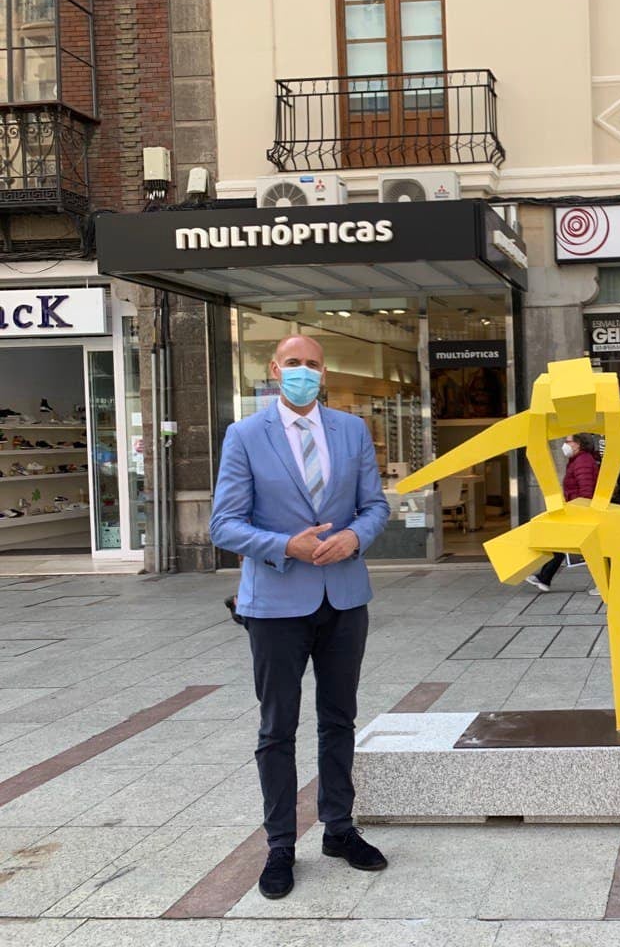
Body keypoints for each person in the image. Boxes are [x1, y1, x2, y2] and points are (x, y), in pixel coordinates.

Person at [210, 335, 390, 900]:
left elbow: (375, 506)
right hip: (276, 603)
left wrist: (355, 538)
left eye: (312, 365)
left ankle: (339, 829)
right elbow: (224, 524)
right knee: (276, 728)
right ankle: (280, 845)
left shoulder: (351, 430)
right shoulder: (243, 436)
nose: (304, 373)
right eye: (294, 364)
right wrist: (286, 545)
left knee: (339, 720)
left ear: (324, 372)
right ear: (274, 370)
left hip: (343, 598)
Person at [525, 433, 601, 593]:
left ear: (578, 444)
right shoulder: (578, 460)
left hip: (580, 510)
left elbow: (586, 490)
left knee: (594, 550)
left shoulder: (582, 462)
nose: (564, 445)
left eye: (567, 441)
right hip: (576, 509)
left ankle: (605, 583)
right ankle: (544, 578)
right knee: (562, 542)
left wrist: (578, 511)